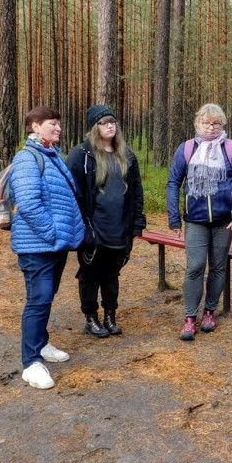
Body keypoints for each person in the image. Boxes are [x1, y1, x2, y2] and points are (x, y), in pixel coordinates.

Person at [10, 106, 85, 390]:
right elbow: (29, 204)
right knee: (38, 299)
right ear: (35, 127)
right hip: (39, 245)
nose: (58, 128)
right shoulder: (27, 158)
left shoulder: (52, 156)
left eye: (59, 123)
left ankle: (41, 345)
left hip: (55, 244)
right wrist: (52, 234)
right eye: (52, 124)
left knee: (46, 296)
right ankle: (31, 363)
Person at [167, 103, 232, 341]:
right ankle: (190, 317)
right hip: (195, 220)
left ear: (222, 125)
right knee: (195, 267)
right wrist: (174, 217)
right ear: (197, 124)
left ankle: (210, 312)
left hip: (224, 221)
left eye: (216, 123)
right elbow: (173, 183)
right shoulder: (187, 149)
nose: (211, 128)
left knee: (218, 266)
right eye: (206, 122)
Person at [67, 104, 146, 340]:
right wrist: (81, 227)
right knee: (90, 275)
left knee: (112, 275)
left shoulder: (127, 156)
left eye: (112, 121)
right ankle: (91, 317)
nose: (109, 126)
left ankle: (110, 315)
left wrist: (136, 224)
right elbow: (71, 194)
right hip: (93, 229)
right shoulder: (81, 155)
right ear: (94, 128)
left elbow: (136, 193)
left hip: (119, 228)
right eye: (103, 122)